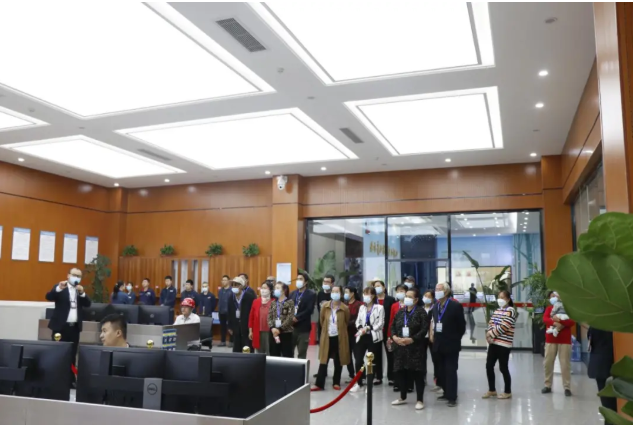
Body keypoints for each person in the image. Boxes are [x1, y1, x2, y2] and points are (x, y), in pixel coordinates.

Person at [45, 267, 91, 386]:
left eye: (79, 276)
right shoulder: (60, 287)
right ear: (68, 275)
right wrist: (59, 288)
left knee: (72, 354)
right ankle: (55, 378)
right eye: (74, 275)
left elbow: (88, 303)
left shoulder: (79, 290)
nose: (76, 278)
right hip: (60, 327)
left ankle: (70, 380)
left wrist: (82, 293)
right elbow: (49, 296)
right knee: (58, 353)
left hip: (74, 328)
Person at [391, 287, 429, 410]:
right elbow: (393, 326)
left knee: (417, 374)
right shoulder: (400, 312)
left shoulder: (421, 312)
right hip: (400, 348)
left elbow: (424, 329)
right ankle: (402, 397)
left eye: (409, 297)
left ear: (416, 299)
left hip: (415, 348)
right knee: (401, 372)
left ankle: (420, 400)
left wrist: (412, 339)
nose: (406, 298)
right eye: (406, 296)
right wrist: (394, 337)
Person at [431, 282, 465, 407]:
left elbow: (461, 326)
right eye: (436, 289)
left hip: (451, 344)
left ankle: (452, 397)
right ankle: (445, 392)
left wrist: (455, 338)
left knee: (450, 370)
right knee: (441, 371)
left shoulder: (455, 306)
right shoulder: (436, 306)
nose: (436, 291)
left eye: (439, 289)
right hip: (438, 344)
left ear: (446, 292)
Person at [312, 284, 350, 391]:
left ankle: (336, 382)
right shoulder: (325, 306)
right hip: (327, 336)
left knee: (338, 360)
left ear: (341, 294)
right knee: (324, 360)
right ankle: (319, 384)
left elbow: (346, 321)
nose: (334, 294)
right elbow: (322, 321)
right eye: (333, 291)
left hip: (339, 337)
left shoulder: (345, 308)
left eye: (337, 292)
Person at [482, 290, 516, 400]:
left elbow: (504, 326)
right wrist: (489, 335)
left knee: (503, 368)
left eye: (502, 297)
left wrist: (490, 334)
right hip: (494, 343)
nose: (500, 300)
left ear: (508, 299)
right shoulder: (497, 310)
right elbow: (491, 323)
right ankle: (492, 390)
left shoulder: (511, 311)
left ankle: (507, 391)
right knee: (489, 366)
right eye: (499, 297)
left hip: (504, 344)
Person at [351, 287, 385, 392]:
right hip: (362, 336)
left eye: (368, 294)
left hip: (373, 337)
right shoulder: (362, 307)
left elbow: (381, 323)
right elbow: (357, 321)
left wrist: (369, 328)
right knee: (358, 360)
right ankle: (359, 382)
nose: (365, 296)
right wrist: (361, 328)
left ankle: (369, 384)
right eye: (364, 293)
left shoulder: (379, 308)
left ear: (373, 295)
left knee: (371, 361)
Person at [542, 291, 575, 396]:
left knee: (565, 364)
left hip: (564, 340)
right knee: (548, 363)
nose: (554, 298)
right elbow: (545, 319)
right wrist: (555, 323)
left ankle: (567, 387)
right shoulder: (549, 309)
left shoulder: (567, 308)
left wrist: (562, 323)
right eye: (552, 297)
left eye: (556, 296)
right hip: (551, 339)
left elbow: (572, 321)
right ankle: (547, 385)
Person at [388, 284, 413, 393]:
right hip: (396, 336)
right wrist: (390, 336)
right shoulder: (394, 306)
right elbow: (391, 322)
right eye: (398, 291)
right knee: (397, 361)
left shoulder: (411, 304)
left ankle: (409, 384)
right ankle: (397, 383)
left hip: (409, 336)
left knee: (409, 361)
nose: (400, 293)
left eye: (402, 291)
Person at [588, 327, 617, 418]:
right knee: (612, 407)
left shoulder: (595, 324)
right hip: (612, 365)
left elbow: (591, 339)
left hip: (600, 366)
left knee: (607, 405)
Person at [373, 278, 396, 385]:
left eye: (378, 286)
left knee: (390, 353)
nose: (376, 288)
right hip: (376, 330)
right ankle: (378, 376)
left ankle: (391, 376)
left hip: (388, 330)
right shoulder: (373, 300)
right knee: (376, 353)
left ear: (384, 287)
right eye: (375, 286)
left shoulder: (390, 299)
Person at [290, 273, 316, 359]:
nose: (298, 281)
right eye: (297, 279)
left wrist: (297, 317)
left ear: (306, 282)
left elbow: (309, 310)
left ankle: (302, 368)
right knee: (289, 352)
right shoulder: (292, 294)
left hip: (303, 328)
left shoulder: (311, 294)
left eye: (300, 279)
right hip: (291, 327)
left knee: (302, 353)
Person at [228, 276, 256, 353]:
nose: (234, 287)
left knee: (247, 349)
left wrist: (251, 328)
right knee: (236, 349)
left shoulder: (249, 297)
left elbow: (253, 313)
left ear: (241, 286)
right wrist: (229, 326)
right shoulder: (231, 297)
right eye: (232, 285)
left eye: (236, 285)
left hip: (246, 327)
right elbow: (229, 312)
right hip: (236, 327)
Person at [268, 282, 295, 358]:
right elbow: (269, 316)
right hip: (274, 333)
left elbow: (290, 318)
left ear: (283, 290)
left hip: (286, 333)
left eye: (278, 288)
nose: (275, 290)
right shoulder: (273, 302)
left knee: (287, 355)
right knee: (274, 354)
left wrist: (280, 329)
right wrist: (272, 328)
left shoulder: (290, 302)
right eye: (275, 288)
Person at [249, 280, 274, 355]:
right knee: (259, 352)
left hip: (270, 331)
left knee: (270, 351)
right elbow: (251, 317)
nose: (263, 290)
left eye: (265, 288)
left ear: (270, 290)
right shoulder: (256, 301)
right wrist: (250, 331)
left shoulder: (274, 301)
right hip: (258, 330)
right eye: (262, 288)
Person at [344, 286, 363, 382]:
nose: (345, 294)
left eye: (347, 292)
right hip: (345, 334)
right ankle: (351, 375)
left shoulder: (359, 305)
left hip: (356, 334)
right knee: (347, 355)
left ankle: (360, 375)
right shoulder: (344, 304)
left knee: (358, 356)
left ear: (352, 293)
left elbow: (359, 319)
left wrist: (346, 323)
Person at [422, 290, 439, 391]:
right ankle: (422, 377)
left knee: (435, 358)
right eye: (425, 296)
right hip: (422, 337)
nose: (426, 298)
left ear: (433, 299)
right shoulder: (420, 309)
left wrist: (432, 334)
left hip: (433, 337)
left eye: (429, 297)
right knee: (422, 358)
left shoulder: (435, 309)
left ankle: (437, 379)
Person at [316, 275, 334, 344]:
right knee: (322, 342)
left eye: (327, 282)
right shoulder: (320, 294)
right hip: (322, 321)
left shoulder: (334, 294)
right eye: (324, 281)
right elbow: (318, 307)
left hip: (332, 322)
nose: (325, 283)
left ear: (332, 284)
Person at [218, 275, 232, 347]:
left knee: (230, 327)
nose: (223, 281)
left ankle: (231, 342)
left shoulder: (231, 290)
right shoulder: (220, 291)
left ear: (228, 281)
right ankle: (223, 341)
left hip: (229, 312)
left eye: (225, 280)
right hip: (221, 312)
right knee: (222, 327)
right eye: (222, 280)